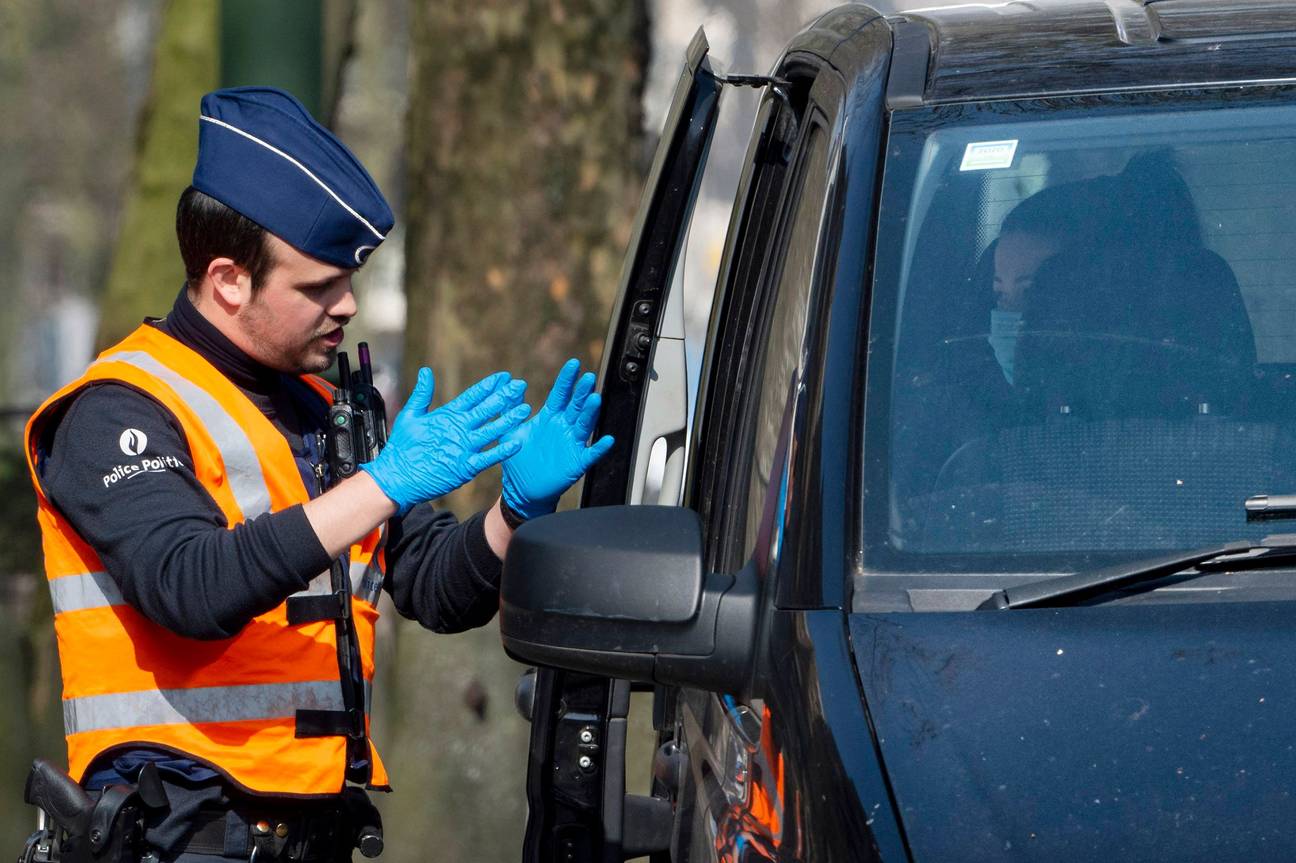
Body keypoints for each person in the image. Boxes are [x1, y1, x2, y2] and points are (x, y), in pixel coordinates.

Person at [22, 86, 613, 861]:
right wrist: (381, 485)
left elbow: (433, 587)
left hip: (314, 833)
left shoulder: (327, 407)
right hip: (176, 837)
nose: (348, 306)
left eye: (347, 280)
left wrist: (514, 511)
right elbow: (190, 586)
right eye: (317, 287)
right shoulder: (117, 410)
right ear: (229, 279)